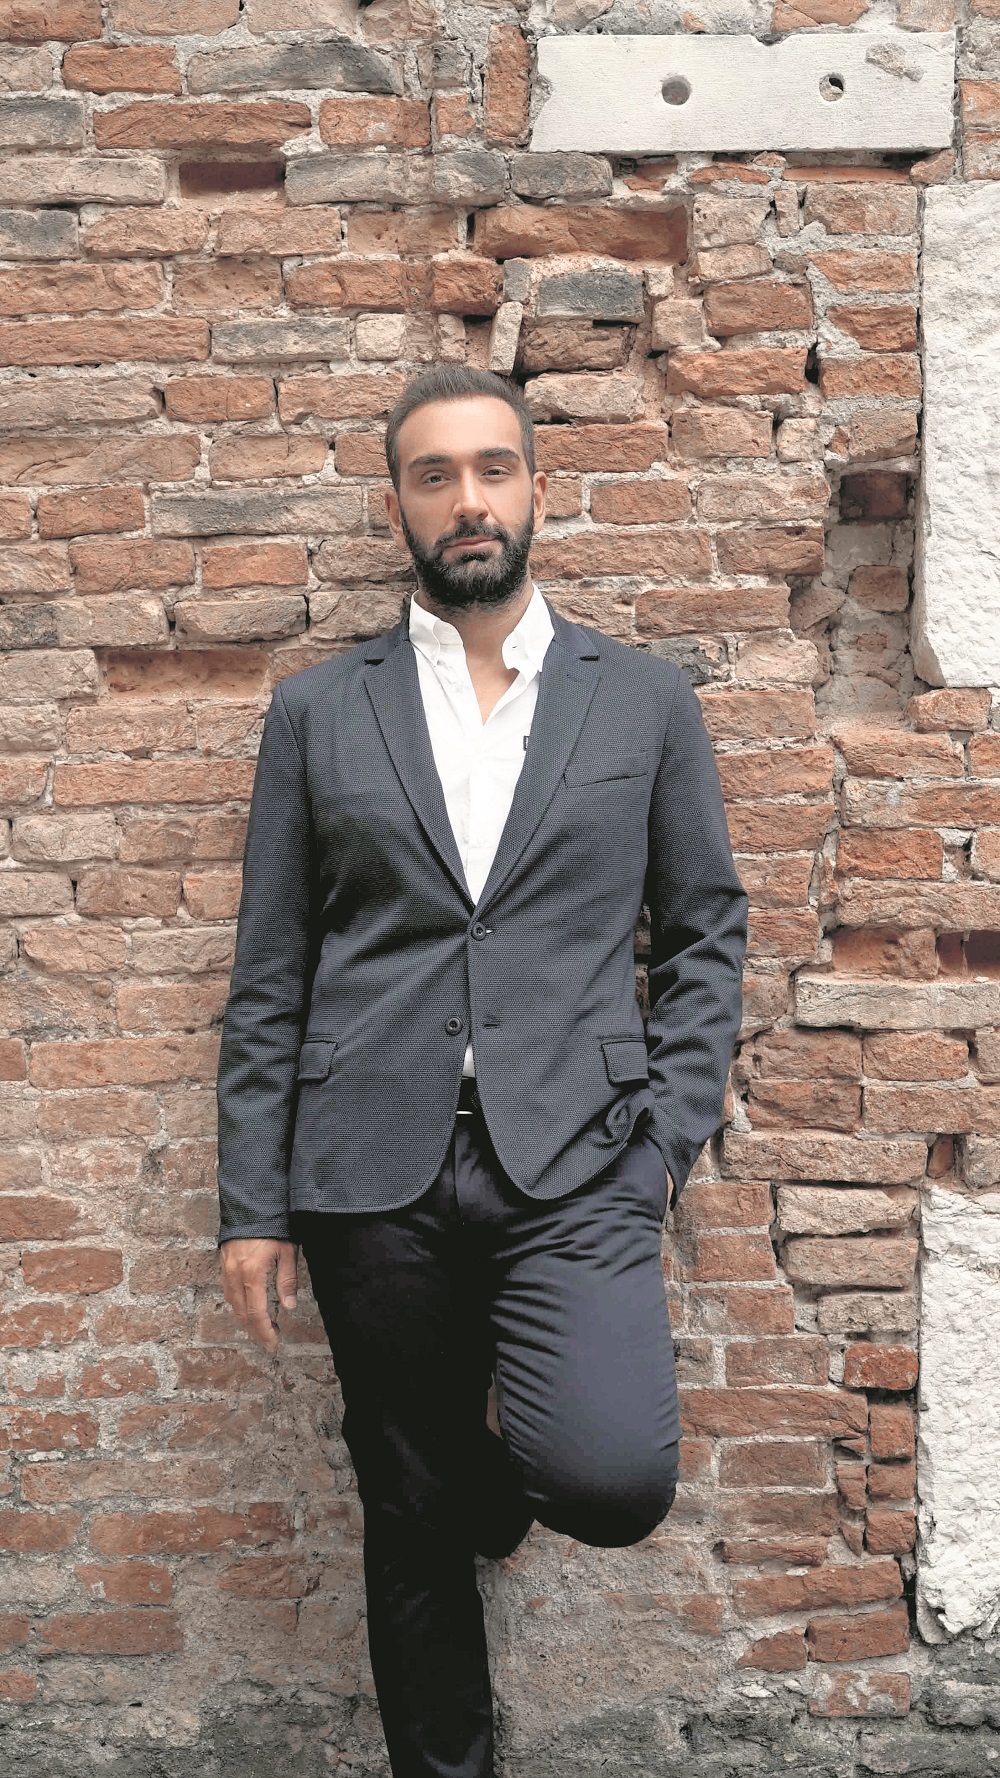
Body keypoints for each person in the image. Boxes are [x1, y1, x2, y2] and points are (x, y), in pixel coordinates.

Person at [216, 363, 748, 1778]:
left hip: (580, 1156)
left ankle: (482, 1465)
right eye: (435, 474)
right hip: (366, 1165)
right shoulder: (317, 711)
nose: (468, 500)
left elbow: (704, 932)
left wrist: (662, 1149)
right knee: (405, 1507)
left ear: (537, 491)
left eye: (494, 469)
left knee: (614, 1476)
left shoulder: (644, 702)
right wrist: (252, 1205)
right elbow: (271, 969)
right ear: (396, 505)